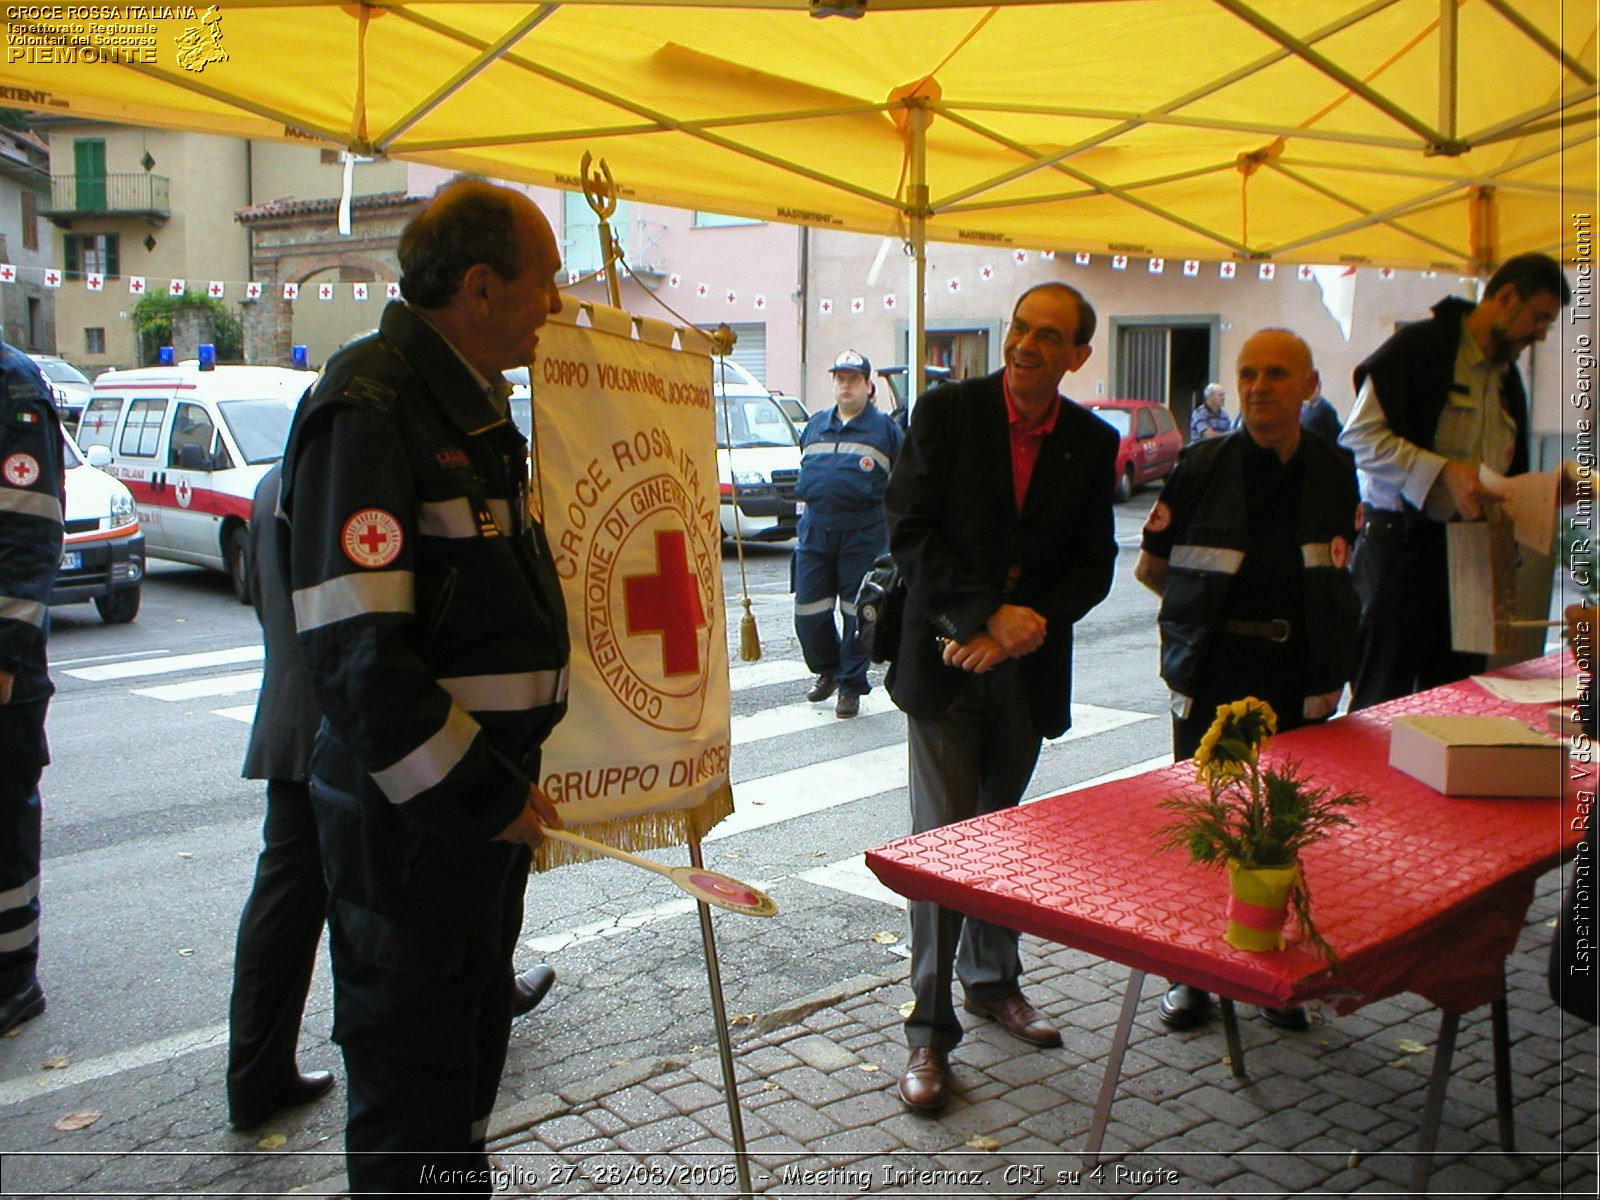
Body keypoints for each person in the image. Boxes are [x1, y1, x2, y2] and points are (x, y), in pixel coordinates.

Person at [278, 178, 570, 1194]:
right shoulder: (375, 406)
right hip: (416, 835)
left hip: (475, 826)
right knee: (414, 1104)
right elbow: (359, 660)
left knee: (462, 1080)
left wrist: (504, 791)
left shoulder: (465, 405)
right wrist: (484, 797)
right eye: (546, 282)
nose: (557, 306)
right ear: (481, 287)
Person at [226, 463, 558, 1131]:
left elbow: (267, 597)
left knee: (287, 903)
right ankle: (471, 1007)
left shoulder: (272, 484)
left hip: (300, 715)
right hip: (356, 730)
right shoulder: (369, 477)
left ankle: (256, 1068)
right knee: (408, 895)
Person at [883, 282, 1118, 1112]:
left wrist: (1025, 626)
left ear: (1077, 356)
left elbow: (1095, 563)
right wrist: (982, 618)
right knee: (944, 847)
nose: (1026, 344)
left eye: (1049, 335)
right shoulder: (947, 414)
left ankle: (992, 981)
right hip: (942, 661)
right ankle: (928, 1032)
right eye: (1020, 327)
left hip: (1027, 670)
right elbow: (909, 530)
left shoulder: (1091, 442)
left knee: (1003, 836)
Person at [1134, 329, 1360, 1032]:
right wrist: (1205, 621)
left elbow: (1341, 569)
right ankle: (1192, 976)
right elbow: (1152, 568)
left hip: (1297, 673)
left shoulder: (1335, 468)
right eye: (1248, 373)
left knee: (1284, 825)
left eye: (1276, 374)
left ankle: (1270, 975)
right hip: (1219, 675)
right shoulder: (1201, 465)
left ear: (1309, 385)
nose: (1260, 385)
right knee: (1212, 823)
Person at [1340, 253, 1571, 710]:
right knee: (1380, 701)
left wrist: (1543, 496)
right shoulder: (1420, 347)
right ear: (1505, 297)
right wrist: (1441, 471)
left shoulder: (1506, 379)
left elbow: (1501, 476)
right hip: (1402, 550)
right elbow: (1359, 438)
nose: (1542, 333)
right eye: (1539, 317)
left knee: (1454, 700)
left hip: (1473, 556)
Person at [0, 341, 62, 1038]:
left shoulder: (14, 389)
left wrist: (6, 657)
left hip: (3, 660)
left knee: (3, 815)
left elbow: (29, 533)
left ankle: (12, 978)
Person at [793, 349, 903, 718]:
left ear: (868, 386)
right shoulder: (816, 425)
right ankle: (827, 670)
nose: (845, 385)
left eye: (853, 379)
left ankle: (851, 687)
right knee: (808, 612)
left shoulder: (885, 430)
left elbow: (903, 485)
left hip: (863, 534)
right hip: (814, 532)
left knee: (858, 614)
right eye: (840, 378)